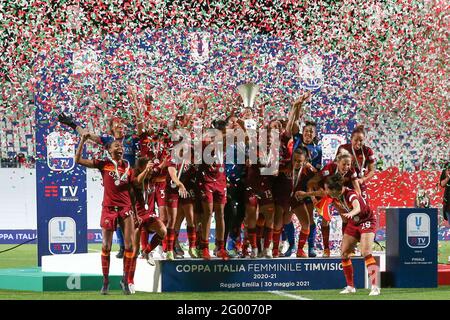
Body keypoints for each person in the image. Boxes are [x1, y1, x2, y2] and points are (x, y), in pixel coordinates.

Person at [75, 133, 135, 295]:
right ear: (109, 150)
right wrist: (82, 140)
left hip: (126, 209)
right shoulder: (104, 164)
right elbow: (78, 160)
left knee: (130, 246)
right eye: (116, 146)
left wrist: (135, 212)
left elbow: (132, 191)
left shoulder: (129, 168)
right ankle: (106, 281)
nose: (120, 148)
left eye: (121, 147)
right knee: (106, 246)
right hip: (108, 208)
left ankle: (125, 280)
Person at [324, 174, 380, 296]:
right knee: (344, 254)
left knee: (366, 252)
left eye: (327, 189)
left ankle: (375, 286)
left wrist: (351, 213)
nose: (326, 191)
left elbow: (357, 207)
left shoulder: (350, 194)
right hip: (353, 222)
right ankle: (350, 286)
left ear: (335, 190)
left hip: (366, 220)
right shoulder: (334, 195)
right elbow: (321, 195)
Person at [307, 149, 361, 257]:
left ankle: (346, 248)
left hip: (339, 195)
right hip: (325, 193)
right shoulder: (329, 168)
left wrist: (355, 202)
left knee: (345, 218)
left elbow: (357, 189)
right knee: (326, 219)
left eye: (348, 164)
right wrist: (314, 197)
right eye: (344, 164)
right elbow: (311, 182)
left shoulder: (351, 171)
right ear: (337, 163)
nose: (346, 167)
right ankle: (326, 249)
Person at [128, 157, 167, 293]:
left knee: (163, 231)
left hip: (149, 215)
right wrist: (146, 170)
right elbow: (139, 180)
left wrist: (166, 160)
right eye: (148, 169)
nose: (151, 172)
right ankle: (130, 281)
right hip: (136, 217)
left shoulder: (152, 178)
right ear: (141, 168)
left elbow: (163, 169)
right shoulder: (135, 179)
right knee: (133, 252)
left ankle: (146, 251)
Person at [287, 147, 317, 257]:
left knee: (307, 223)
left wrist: (309, 194)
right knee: (284, 222)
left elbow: (319, 181)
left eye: (299, 161)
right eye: (294, 160)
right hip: (286, 199)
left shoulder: (309, 170)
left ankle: (303, 249)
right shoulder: (285, 167)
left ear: (305, 161)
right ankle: (291, 246)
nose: (296, 163)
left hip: (301, 198)